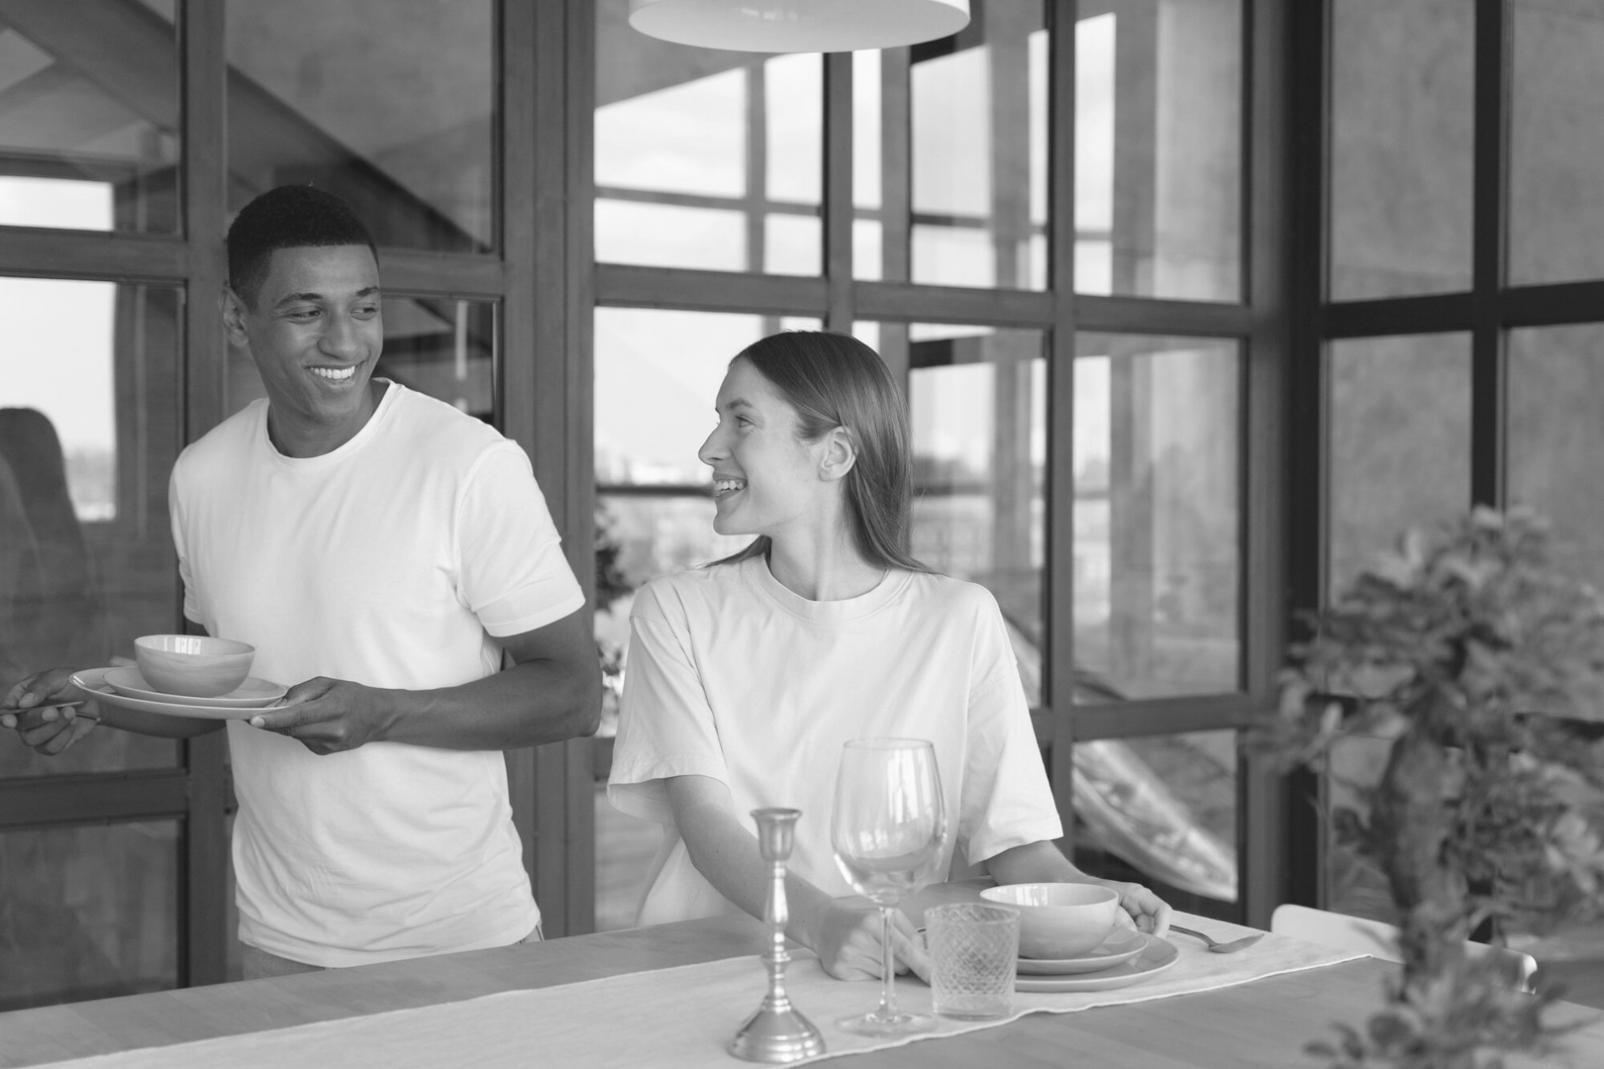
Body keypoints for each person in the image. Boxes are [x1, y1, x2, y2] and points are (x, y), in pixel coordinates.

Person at [3, 184, 600, 976]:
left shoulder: (467, 463)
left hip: (464, 939)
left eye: (364, 307)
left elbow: (573, 690)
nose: (345, 340)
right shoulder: (204, 475)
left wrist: (384, 714)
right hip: (279, 943)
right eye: (306, 310)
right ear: (234, 320)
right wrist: (95, 693)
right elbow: (216, 690)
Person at [606, 330, 1171, 982]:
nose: (710, 448)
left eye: (741, 421)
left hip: (890, 971)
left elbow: (1015, 841)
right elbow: (706, 823)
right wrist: (821, 920)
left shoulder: (959, 617)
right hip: (707, 968)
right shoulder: (678, 609)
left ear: (835, 452)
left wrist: (1085, 899)